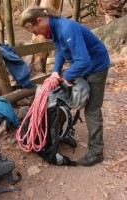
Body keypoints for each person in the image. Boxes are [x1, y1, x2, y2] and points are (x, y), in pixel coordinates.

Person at [20, 5, 110, 167]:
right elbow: (61, 51)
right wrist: (55, 72)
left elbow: (83, 60)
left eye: (34, 31)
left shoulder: (66, 29)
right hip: (82, 65)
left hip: (96, 66)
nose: (36, 35)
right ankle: (60, 132)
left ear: (39, 20)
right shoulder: (53, 29)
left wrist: (67, 76)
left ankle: (96, 152)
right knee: (61, 98)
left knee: (91, 109)